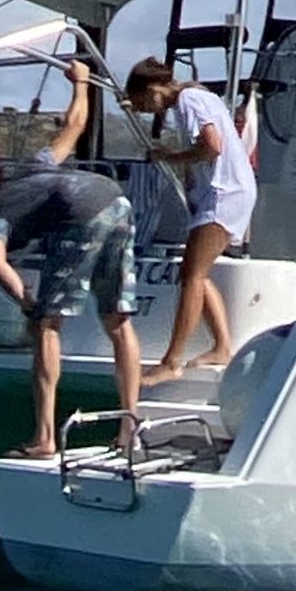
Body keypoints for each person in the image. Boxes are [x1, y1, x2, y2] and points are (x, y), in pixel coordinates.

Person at [0, 57, 139, 460]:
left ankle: (45, 438)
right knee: (118, 320)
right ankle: (128, 431)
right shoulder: (33, 168)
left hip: (80, 214)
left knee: (46, 325)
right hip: (115, 200)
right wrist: (80, 82)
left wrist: (26, 301)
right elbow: (76, 124)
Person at [123, 55, 256, 384]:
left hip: (225, 193)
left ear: (154, 90)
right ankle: (222, 347)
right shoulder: (198, 97)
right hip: (227, 191)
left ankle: (172, 361)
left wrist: (171, 157)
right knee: (197, 272)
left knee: (191, 275)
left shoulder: (188, 99)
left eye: (145, 103)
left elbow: (212, 146)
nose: (148, 111)